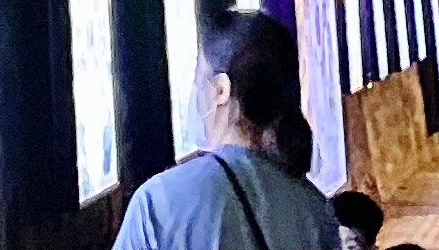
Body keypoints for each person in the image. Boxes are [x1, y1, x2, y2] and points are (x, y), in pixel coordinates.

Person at [112, 15, 338, 250]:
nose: (196, 95)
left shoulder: (157, 202)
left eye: (200, 81)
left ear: (221, 90)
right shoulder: (316, 211)